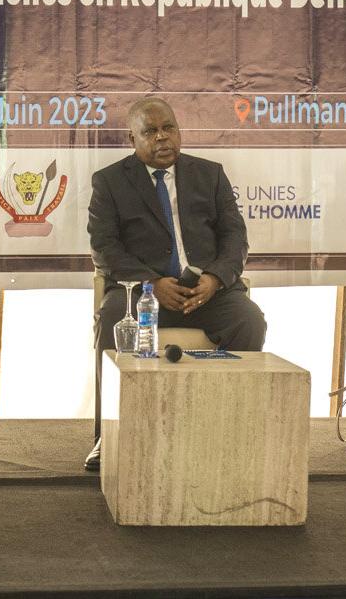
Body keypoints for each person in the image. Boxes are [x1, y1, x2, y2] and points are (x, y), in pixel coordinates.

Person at [85, 96, 266, 470]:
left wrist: (214, 279)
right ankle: (109, 435)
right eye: (150, 131)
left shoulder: (210, 175)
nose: (162, 137)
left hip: (206, 292)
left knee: (249, 320)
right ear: (132, 138)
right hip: (144, 294)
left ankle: (227, 428)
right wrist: (151, 282)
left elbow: (235, 238)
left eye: (169, 128)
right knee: (112, 316)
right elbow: (104, 248)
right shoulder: (110, 182)